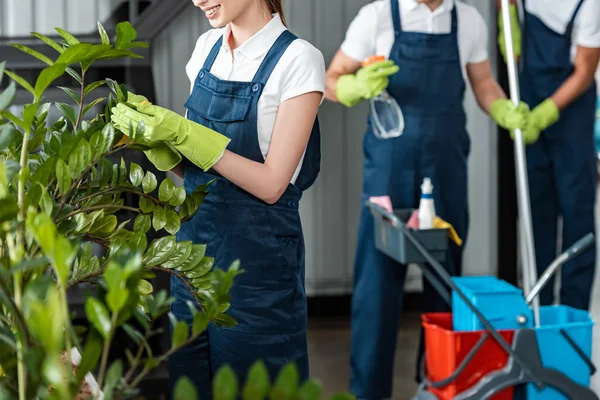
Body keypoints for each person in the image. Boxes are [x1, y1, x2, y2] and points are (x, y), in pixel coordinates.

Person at [110, 0, 325, 396]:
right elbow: (199, 169)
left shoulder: (298, 60)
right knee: (191, 387)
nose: (198, 0)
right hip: (192, 261)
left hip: (257, 272)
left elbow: (272, 183)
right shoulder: (205, 49)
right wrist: (160, 143)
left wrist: (188, 135)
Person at [324, 0, 530, 398]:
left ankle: (440, 385)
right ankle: (368, 392)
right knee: (377, 288)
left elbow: (483, 82)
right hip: (388, 170)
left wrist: (502, 108)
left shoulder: (467, 20)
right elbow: (332, 77)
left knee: (444, 283)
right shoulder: (378, 16)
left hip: (446, 166)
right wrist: (351, 87)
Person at [498, 0, 600, 310]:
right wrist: (509, 29)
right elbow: (511, 20)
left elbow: (584, 71)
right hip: (529, 108)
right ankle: (536, 309)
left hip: (571, 120)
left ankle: (571, 318)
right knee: (535, 215)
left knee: (576, 217)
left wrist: (546, 113)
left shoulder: (589, 5)